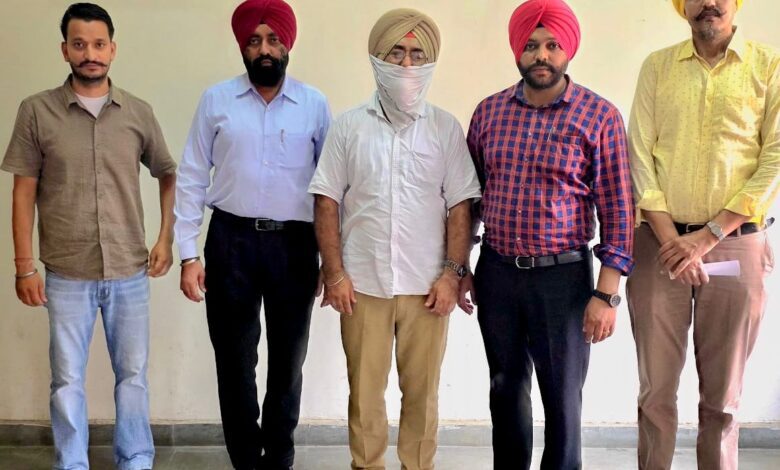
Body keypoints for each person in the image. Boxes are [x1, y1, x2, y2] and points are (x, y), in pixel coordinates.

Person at [1, 3, 177, 469]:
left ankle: (135, 458)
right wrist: (24, 266)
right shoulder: (36, 111)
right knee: (66, 380)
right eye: (79, 44)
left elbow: (168, 173)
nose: (90, 54)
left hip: (129, 271)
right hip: (66, 272)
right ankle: (72, 462)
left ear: (113, 49)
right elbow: (23, 192)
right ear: (65, 50)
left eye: (99, 44)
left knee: (133, 376)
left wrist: (166, 238)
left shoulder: (137, 112)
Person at [308, 8, 481, 469]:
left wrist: (452, 275)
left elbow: (460, 206)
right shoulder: (348, 127)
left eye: (417, 55)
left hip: (429, 288)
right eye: (396, 53)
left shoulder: (445, 128)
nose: (407, 65)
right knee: (364, 396)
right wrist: (335, 274)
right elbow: (326, 201)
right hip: (362, 286)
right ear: (377, 59)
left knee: (422, 395)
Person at [464, 0, 635, 468]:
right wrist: (460, 266)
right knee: (504, 388)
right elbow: (470, 198)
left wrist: (607, 294)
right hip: (497, 272)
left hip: (563, 280)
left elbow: (618, 208)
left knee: (562, 398)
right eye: (532, 45)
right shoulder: (489, 112)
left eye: (553, 45)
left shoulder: (598, 116)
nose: (542, 55)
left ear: (568, 50)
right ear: (517, 51)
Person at [173, 0, 331, 468]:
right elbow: (191, 176)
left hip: (295, 246)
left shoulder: (314, 104)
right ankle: (244, 459)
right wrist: (188, 255)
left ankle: (279, 458)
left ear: (287, 45)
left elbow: (331, 189)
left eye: (273, 40)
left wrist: (332, 260)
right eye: (255, 41)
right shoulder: (216, 100)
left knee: (288, 362)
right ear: (243, 47)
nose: (265, 50)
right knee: (234, 361)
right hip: (231, 242)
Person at [626, 0, 780, 468]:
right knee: (655, 392)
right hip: (659, 246)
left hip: (735, 245)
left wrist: (707, 237)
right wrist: (675, 241)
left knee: (723, 398)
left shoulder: (769, 67)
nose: (707, 3)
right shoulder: (658, 67)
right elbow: (639, 156)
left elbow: (774, 160)